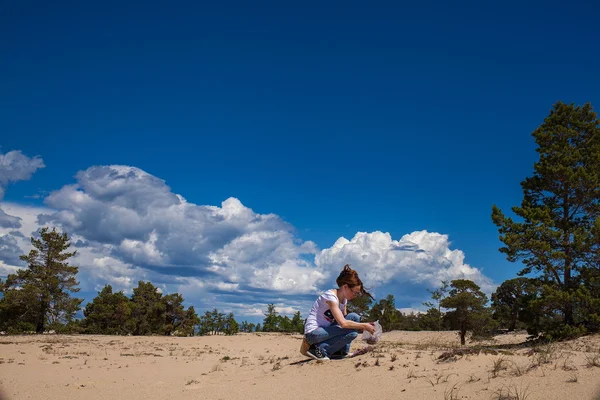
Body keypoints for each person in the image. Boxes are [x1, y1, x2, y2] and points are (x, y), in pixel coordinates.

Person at [303, 264, 376, 361]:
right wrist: (364, 326)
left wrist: (360, 325)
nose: (355, 295)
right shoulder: (330, 297)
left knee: (354, 317)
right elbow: (343, 323)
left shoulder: (344, 300)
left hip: (327, 330)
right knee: (352, 333)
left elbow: (346, 319)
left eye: (357, 294)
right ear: (345, 287)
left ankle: (341, 351)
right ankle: (320, 350)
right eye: (354, 292)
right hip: (314, 333)